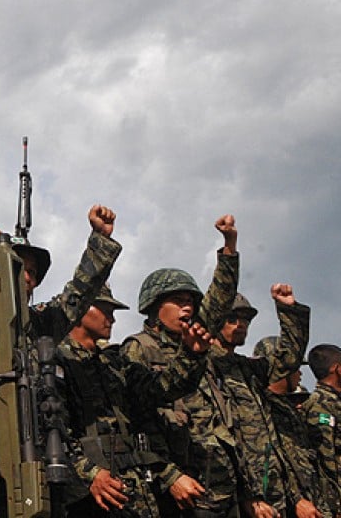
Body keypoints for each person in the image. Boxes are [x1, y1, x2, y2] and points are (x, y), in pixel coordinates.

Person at [0, 204, 123, 518]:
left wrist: (100, 240)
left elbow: (78, 295)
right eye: (18, 267)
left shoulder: (39, 325)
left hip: (42, 475)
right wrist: (3, 461)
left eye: (32, 272)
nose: (27, 277)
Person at [56, 285, 215, 517]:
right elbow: (54, 431)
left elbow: (161, 389)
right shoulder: (58, 361)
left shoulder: (114, 365)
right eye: (105, 310)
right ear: (79, 310)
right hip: (94, 497)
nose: (112, 319)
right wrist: (90, 473)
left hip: (133, 489)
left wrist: (192, 354)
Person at [120, 216, 239, 517]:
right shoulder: (139, 348)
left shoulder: (196, 342)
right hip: (177, 490)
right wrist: (169, 475)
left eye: (190, 301)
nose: (188, 307)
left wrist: (229, 248)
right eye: (178, 300)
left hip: (218, 485)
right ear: (154, 306)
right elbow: (136, 420)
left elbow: (219, 302)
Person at [206, 288, 311, 518]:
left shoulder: (248, 368)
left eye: (245, 320)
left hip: (272, 492)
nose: (240, 324)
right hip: (233, 497)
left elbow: (289, 359)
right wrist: (246, 496)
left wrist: (288, 310)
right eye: (232, 318)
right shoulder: (202, 367)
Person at [253, 336, 333, 518]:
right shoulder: (259, 408)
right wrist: (295, 499)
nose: (300, 374)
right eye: (295, 368)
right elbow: (266, 464)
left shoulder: (288, 410)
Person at [302, 344, 341, 518]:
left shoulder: (338, 401)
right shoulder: (321, 403)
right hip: (335, 502)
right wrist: (338, 505)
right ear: (335, 368)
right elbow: (325, 456)